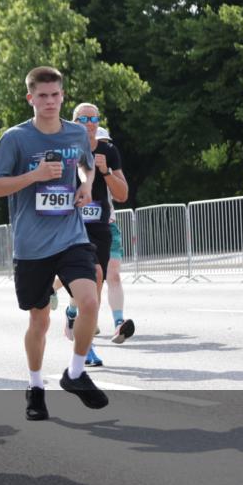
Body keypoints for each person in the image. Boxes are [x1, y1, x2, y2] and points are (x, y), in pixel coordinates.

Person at [0, 65, 109, 421]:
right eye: (43, 96)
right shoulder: (16, 139)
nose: (50, 102)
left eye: (56, 95)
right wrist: (35, 176)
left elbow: (85, 166)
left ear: (62, 96)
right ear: (30, 99)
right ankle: (36, 387)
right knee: (39, 320)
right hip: (31, 246)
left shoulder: (74, 134)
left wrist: (85, 185)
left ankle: (74, 373)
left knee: (89, 298)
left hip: (71, 236)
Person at [59, 105, 132, 368]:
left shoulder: (108, 151)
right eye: (83, 118)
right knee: (94, 276)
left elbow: (122, 195)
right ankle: (86, 346)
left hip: (100, 227)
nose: (89, 123)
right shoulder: (65, 150)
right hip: (72, 226)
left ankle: (74, 315)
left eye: (94, 118)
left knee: (96, 284)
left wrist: (106, 172)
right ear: (74, 122)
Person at [98, 127, 135, 346]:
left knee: (113, 276)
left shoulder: (110, 167)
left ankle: (118, 324)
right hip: (79, 229)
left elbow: (122, 195)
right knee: (89, 281)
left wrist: (107, 172)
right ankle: (72, 313)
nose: (103, 149)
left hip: (107, 227)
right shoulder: (75, 160)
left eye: (106, 144)